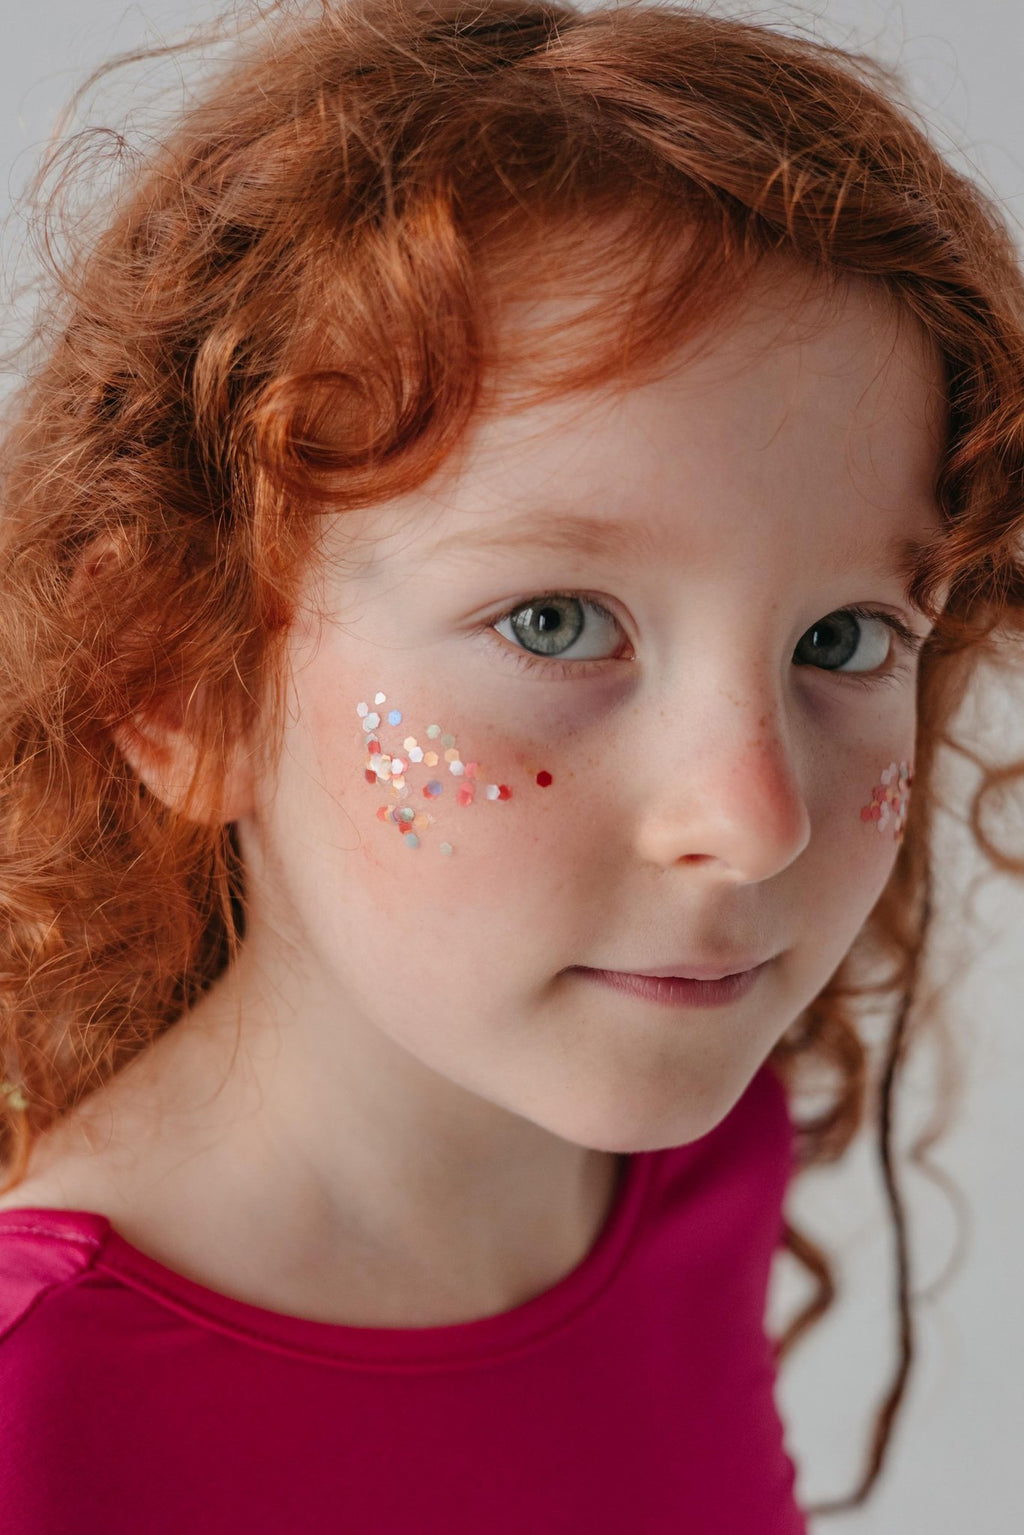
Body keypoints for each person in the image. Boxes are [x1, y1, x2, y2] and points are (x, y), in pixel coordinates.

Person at [1, 0, 1022, 1529]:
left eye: (843, 642)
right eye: (557, 622)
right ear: (178, 676)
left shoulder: (696, 1156)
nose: (752, 824)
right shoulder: (39, 1413)